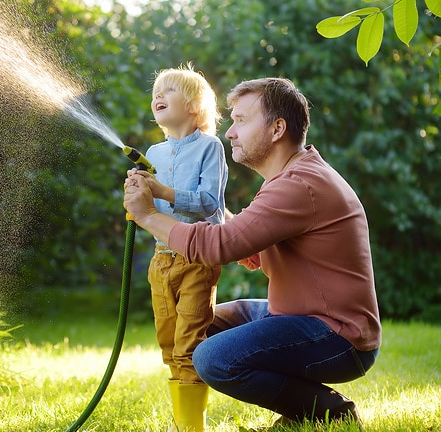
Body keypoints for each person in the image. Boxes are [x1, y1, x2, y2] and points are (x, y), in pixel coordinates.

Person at [124, 77, 381, 429]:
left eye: (241, 120)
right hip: (296, 316)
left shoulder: (298, 186)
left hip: (337, 336)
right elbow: (247, 243)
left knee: (211, 356)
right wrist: (202, 207)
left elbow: (217, 247)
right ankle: (304, 404)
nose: (230, 132)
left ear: (277, 129)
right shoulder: (287, 179)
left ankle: (326, 409)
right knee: (199, 321)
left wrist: (148, 215)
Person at [138, 64, 228, 432]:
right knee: (167, 340)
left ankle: (192, 427)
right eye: (156, 92)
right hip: (161, 260)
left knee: (189, 341)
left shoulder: (211, 147)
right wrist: (138, 191)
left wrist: (163, 192)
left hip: (197, 260)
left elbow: (210, 201)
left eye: (168, 91)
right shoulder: (152, 153)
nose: (158, 96)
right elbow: (147, 209)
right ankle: (182, 422)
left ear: (193, 106)